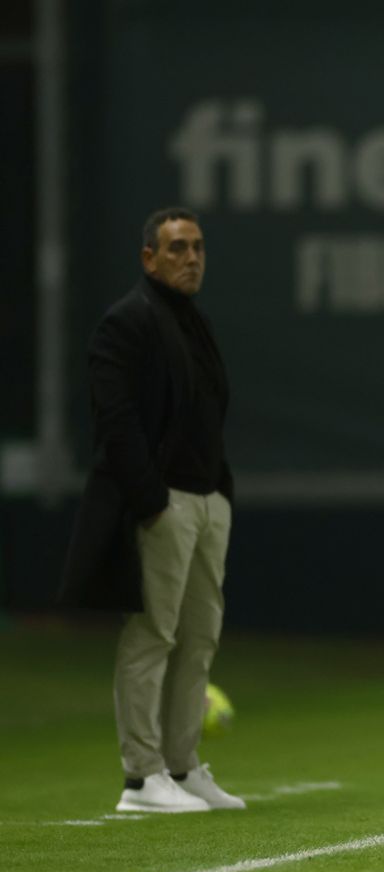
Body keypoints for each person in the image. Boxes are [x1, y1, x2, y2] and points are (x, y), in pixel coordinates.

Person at [59, 208, 244, 813]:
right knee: (152, 635)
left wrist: (218, 493)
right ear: (149, 258)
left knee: (198, 639)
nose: (190, 258)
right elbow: (115, 421)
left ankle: (183, 766)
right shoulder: (128, 321)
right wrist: (152, 501)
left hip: (206, 500)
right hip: (165, 503)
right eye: (176, 248)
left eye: (197, 247)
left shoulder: (195, 322)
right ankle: (142, 777)